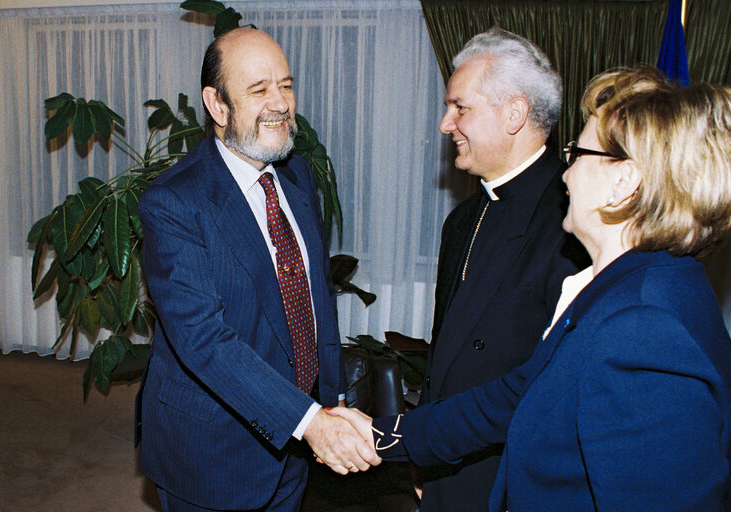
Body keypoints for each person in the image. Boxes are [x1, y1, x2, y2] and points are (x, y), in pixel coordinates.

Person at [332, 66, 731, 511]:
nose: (565, 175)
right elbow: (507, 400)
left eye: (578, 154)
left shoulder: (643, 328)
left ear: (624, 183)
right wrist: (381, 436)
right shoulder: (627, 289)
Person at [135, 28, 379, 512]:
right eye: (258, 89)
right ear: (217, 105)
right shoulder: (173, 201)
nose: (280, 103)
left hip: (295, 443)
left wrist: (326, 403)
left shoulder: (297, 175)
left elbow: (314, 301)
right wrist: (310, 421)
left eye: (286, 86)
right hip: (212, 453)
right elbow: (203, 340)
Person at [417, 27, 588, 511]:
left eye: (460, 107)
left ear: (514, 114)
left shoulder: (574, 220)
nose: (446, 124)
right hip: (446, 461)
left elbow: (554, 383)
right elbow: (444, 353)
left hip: (516, 477)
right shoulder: (462, 220)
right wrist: (424, 457)